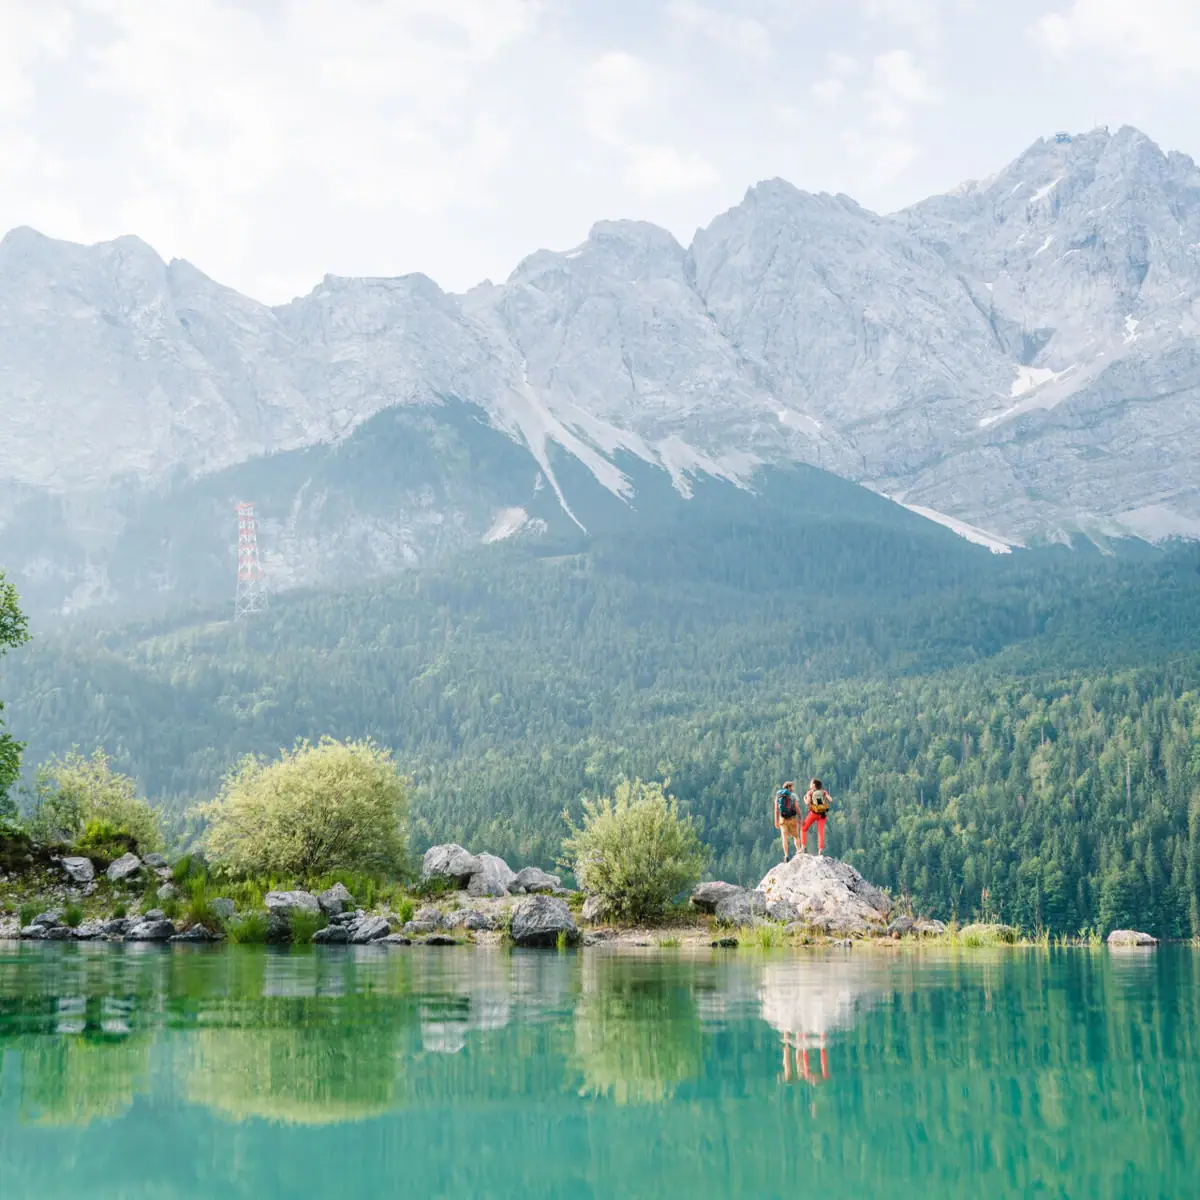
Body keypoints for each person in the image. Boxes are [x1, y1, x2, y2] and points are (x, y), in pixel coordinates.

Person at [800, 778, 832, 856]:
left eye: (811, 783)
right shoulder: (823, 792)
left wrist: (804, 798)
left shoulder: (810, 792)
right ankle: (820, 850)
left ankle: (803, 847)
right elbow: (830, 800)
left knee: (803, 828)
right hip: (822, 814)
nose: (810, 784)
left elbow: (807, 803)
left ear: (814, 785)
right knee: (821, 831)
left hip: (813, 813)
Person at [774, 781, 801, 861]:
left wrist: (776, 821)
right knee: (796, 837)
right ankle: (799, 852)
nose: (792, 788)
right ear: (789, 787)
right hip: (792, 818)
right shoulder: (793, 795)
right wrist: (800, 817)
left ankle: (786, 855)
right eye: (792, 787)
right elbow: (796, 807)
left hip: (782, 819)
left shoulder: (778, 796)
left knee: (784, 838)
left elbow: (776, 809)